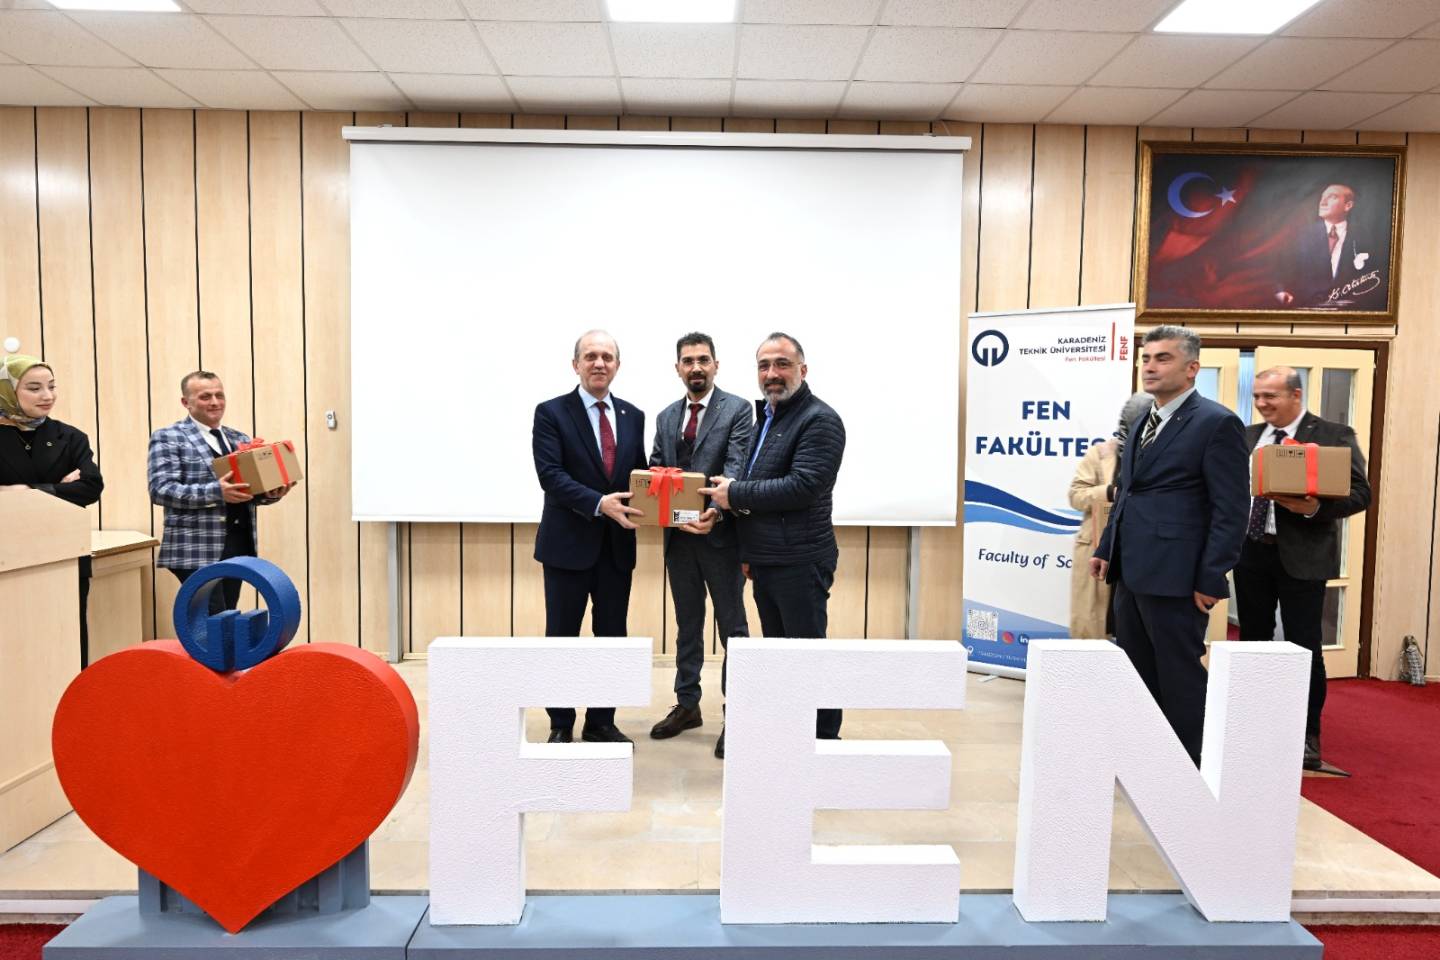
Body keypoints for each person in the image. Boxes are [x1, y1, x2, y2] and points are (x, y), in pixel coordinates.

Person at [1090, 326, 1249, 764]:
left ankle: (1189, 766)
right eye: (1146, 358)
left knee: (1179, 676)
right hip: (1131, 570)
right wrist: (1106, 547)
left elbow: (1231, 509)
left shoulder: (1216, 423)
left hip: (1178, 576)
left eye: (1163, 358)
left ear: (1192, 368)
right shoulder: (1144, 418)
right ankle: (1146, 761)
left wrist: (1211, 577)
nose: (1150, 366)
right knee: (1136, 672)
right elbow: (1128, 491)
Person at [702, 332, 846, 752]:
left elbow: (802, 486)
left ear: (803, 369)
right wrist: (745, 543)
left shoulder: (820, 420)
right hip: (768, 561)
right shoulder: (767, 417)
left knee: (808, 657)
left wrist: (734, 494)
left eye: (782, 364)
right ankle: (792, 739)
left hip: (800, 561)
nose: (772, 373)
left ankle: (823, 741)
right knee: (783, 661)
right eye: (764, 365)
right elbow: (755, 482)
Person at [1234, 366, 1371, 771]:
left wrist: (1315, 507)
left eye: (1270, 396)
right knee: (1253, 641)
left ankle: (1307, 735)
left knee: (1304, 646)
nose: (1261, 404)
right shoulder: (1247, 436)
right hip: (1251, 552)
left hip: (1304, 556)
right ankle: (1252, 726)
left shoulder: (1333, 435)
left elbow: (1361, 493)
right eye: (1257, 396)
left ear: (1296, 395)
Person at [532, 330, 647, 745]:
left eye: (607, 357)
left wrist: (672, 503)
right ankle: (561, 722)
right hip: (567, 547)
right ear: (576, 364)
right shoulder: (551, 412)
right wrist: (600, 504)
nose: (599, 363)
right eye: (591, 356)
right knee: (562, 637)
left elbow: (639, 476)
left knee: (611, 638)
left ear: (617, 365)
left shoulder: (634, 415)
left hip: (616, 549)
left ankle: (601, 721)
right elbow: (551, 476)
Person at [647, 333, 752, 755]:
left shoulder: (738, 409)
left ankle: (737, 714)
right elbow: (656, 471)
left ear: (715, 365)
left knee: (733, 629)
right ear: (678, 368)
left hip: (721, 537)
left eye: (703, 360)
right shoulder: (666, 416)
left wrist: (716, 513)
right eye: (688, 361)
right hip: (679, 542)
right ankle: (687, 704)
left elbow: (736, 467)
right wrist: (669, 510)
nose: (696, 367)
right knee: (687, 625)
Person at [148, 371, 292, 615]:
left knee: (227, 616)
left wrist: (271, 492)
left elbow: (248, 491)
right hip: (195, 548)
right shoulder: (168, 437)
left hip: (237, 543)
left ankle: (223, 643)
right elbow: (161, 490)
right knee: (213, 617)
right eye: (205, 397)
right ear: (186, 402)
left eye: (219, 395)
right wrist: (216, 492)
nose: (215, 402)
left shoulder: (239, 438)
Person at [0, 355, 104, 665]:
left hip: (66, 555)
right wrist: (59, 488)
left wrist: (28, 491)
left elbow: (90, 487)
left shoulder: (70, 436)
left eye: (52, 386)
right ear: (8, 391)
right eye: (34, 388)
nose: (47, 396)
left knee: (69, 644)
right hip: (9, 558)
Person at [1067, 392, 1150, 640]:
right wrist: (1109, 492)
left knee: (1134, 628)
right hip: (1100, 547)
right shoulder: (1100, 453)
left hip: (1141, 551)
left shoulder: (1159, 454)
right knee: (1094, 626)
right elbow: (1075, 495)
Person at [1275, 183, 1375, 309]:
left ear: (1348, 205)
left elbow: (1372, 276)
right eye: (1322, 197)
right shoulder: (1301, 235)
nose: (1323, 202)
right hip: (1307, 308)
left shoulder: (1364, 236)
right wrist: (1280, 291)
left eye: (1332, 197)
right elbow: (1282, 269)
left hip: (1351, 310)